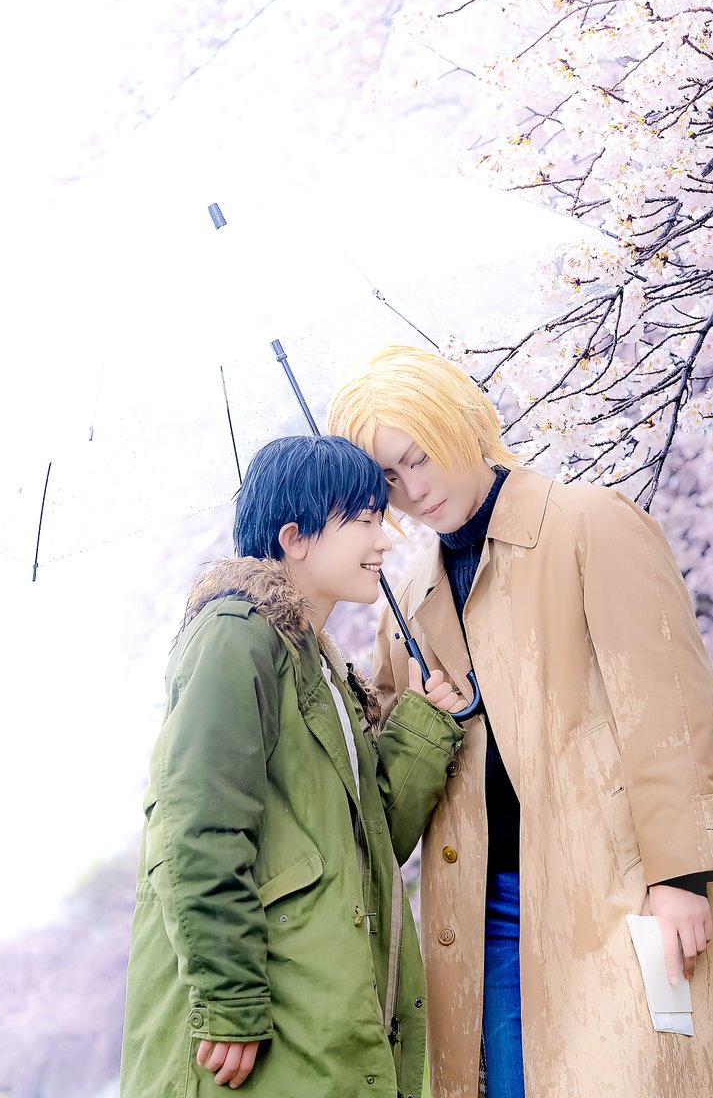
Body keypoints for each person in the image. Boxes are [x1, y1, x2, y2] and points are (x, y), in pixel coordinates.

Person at [327, 344, 713, 1098]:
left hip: (613, 890)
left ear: (463, 423)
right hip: (481, 917)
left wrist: (681, 874)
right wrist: (419, 718)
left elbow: (669, 706)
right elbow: (388, 777)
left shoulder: (588, 524)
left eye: (420, 456)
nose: (414, 489)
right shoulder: (407, 601)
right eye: (388, 478)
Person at [119, 434, 469, 1098]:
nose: (384, 541)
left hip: (320, 1025)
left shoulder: (319, 665)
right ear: (295, 538)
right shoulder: (236, 634)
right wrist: (229, 1001)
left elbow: (365, 850)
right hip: (256, 1033)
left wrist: (424, 730)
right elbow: (194, 828)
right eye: (363, 520)